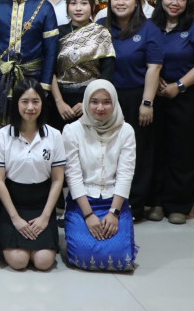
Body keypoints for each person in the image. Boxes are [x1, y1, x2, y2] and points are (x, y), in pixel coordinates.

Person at [149, 0, 194, 224]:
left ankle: (178, 205)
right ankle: (155, 201)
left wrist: (179, 85)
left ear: (187, 2)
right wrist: (157, 81)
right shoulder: (149, 25)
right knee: (155, 148)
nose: (174, 3)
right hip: (154, 96)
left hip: (186, 98)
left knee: (182, 151)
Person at [98, 0, 163, 220]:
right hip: (105, 99)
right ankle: (106, 201)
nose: (121, 2)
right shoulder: (100, 27)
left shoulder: (149, 29)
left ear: (137, 2)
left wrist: (147, 102)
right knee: (106, 150)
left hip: (137, 97)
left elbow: (154, 67)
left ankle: (134, 204)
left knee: (136, 150)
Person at [62, 80, 138, 271]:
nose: (100, 108)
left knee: (121, 257)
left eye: (106, 102)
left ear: (115, 102)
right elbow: (73, 176)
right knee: (83, 254)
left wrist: (114, 213)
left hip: (115, 202)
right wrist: (88, 215)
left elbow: (125, 174)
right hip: (83, 202)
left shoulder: (126, 131)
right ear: (86, 102)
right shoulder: (72, 131)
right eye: (94, 101)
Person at [0, 78, 65, 270]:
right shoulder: (2, 136)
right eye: (24, 101)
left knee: (43, 262)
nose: (30, 107)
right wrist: (15, 218)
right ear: (16, 104)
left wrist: (45, 217)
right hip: (12, 205)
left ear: (42, 103)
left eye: (35, 101)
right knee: (19, 261)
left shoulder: (55, 135)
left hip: (42, 205)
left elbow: (57, 180)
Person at [49, 0, 116, 131]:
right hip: (60, 100)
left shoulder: (101, 33)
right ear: (67, 7)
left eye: (84, 3)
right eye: (73, 3)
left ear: (92, 7)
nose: (78, 8)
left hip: (92, 99)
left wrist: (88, 102)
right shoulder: (57, 33)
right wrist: (59, 102)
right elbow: (49, 70)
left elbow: (107, 72)